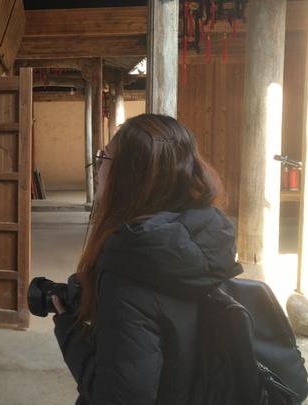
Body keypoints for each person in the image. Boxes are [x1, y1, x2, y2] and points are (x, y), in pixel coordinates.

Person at [52, 114, 242, 404]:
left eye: (104, 157)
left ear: (130, 177)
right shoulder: (203, 237)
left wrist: (69, 329)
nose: (97, 168)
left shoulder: (129, 269)